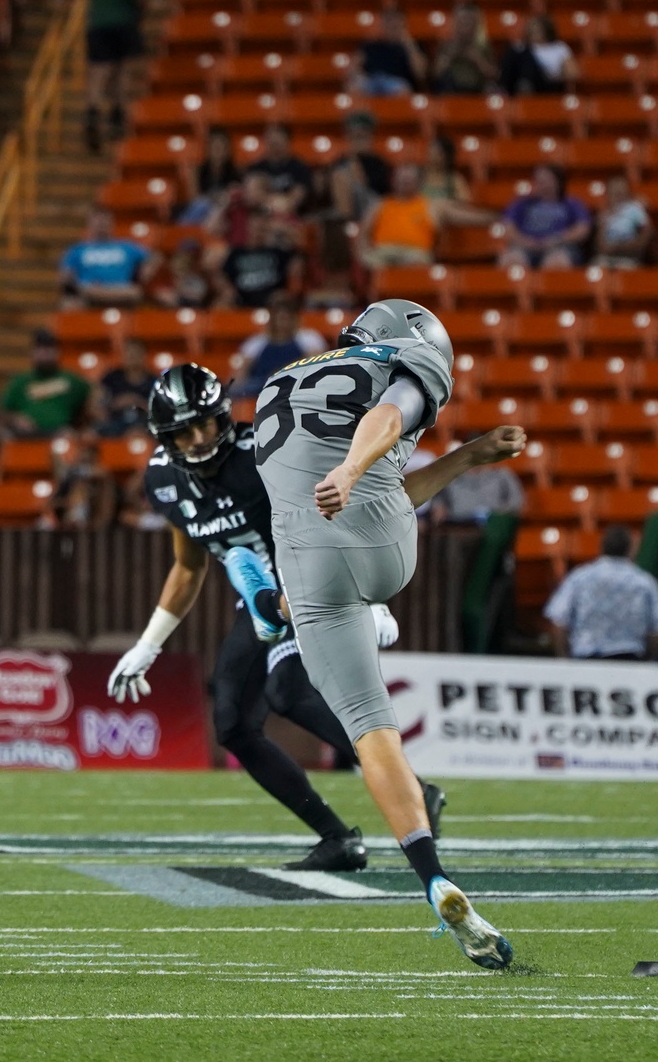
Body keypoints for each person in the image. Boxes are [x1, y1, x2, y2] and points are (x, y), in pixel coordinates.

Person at [247, 298, 524, 966]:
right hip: (376, 536)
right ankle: (377, 608)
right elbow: (391, 412)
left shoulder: (277, 380)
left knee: (371, 732)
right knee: (377, 512)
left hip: (306, 564)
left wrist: (464, 456)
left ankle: (433, 878)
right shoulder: (399, 358)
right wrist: (348, 469)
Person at [106, 363, 446, 869]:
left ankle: (408, 788)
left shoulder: (267, 453)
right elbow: (189, 563)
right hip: (262, 601)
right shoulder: (162, 479)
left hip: (315, 580)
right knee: (233, 725)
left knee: (286, 689)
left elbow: (344, 507)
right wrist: (149, 644)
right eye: (185, 430)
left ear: (224, 417)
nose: (199, 439)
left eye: (206, 424)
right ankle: (337, 837)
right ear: (165, 436)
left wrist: (369, 597)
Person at [71, 0, 147, 152]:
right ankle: (116, 114)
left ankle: (92, 111)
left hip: (98, 22)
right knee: (122, 68)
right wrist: (141, 12)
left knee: (98, 71)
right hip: (125, 20)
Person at [544, 525, 658, 661]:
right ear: (631, 549)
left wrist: (565, 658)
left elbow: (559, 621)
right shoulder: (644, 582)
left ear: (601, 547)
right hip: (630, 661)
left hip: (587, 661)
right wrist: (647, 660)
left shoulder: (579, 578)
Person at [359, 161, 493, 268]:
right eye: (402, 180)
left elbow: (463, 216)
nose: (404, 184)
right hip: (384, 252)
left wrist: (493, 218)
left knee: (415, 264)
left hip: (415, 255)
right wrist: (364, 251)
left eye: (408, 180)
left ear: (418, 182)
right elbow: (364, 233)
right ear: (394, 181)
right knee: (370, 261)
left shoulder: (432, 205)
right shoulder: (381, 204)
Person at [0, 328, 90, 439]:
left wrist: (81, 429)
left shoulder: (71, 380)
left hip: (60, 434)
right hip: (26, 435)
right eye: (40, 348)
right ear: (32, 352)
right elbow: (3, 414)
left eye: (49, 348)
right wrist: (16, 419)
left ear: (57, 352)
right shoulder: (20, 382)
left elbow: (91, 400)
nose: (45, 353)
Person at [59, 207, 158, 308]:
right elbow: (65, 277)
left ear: (111, 224)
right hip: (90, 291)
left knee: (137, 293)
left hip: (122, 290)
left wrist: (144, 273)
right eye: (98, 223)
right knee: (69, 304)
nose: (101, 226)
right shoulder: (77, 250)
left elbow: (155, 258)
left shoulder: (126, 247)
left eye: (105, 222)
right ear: (90, 224)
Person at [500, 164, 592, 270]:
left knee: (556, 263)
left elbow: (582, 230)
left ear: (557, 181)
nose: (540, 183)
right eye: (538, 180)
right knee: (511, 260)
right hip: (524, 246)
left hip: (560, 247)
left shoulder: (572, 204)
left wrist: (558, 239)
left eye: (545, 180)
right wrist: (526, 242)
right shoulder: (521, 203)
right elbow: (508, 228)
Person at [232, 294, 326, 397]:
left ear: (294, 318)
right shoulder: (256, 342)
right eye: (279, 317)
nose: (282, 323)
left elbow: (316, 365)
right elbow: (240, 374)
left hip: (296, 386)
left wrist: (281, 373)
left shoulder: (309, 338)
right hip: (262, 387)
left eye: (286, 318)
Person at [212, 210, 306, 308]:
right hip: (242, 300)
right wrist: (226, 288)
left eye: (261, 228)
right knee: (221, 304)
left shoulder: (277, 252)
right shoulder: (236, 254)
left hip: (274, 302)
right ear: (248, 228)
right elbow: (222, 275)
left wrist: (280, 227)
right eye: (255, 227)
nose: (257, 231)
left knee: (282, 299)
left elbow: (302, 244)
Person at [348, 7, 428, 96]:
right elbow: (353, 68)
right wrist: (358, 75)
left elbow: (420, 74)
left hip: (397, 83)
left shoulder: (412, 46)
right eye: (388, 22)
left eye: (396, 23)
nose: (392, 26)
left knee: (402, 90)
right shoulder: (371, 44)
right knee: (355, 87)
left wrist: (408, 44)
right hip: (372, 80)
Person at [329, 111, 391, 221]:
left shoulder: (380, 164)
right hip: (351, 211)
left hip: (376, 211)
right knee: (340, 175)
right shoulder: (340, 163)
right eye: (355, 137)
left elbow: (384, 195)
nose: (359, 142)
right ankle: (347, 223)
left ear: (370, 137)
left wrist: (357, 170)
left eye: (362, 137)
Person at [499, 15, 578, 96]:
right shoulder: (524, 47)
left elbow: (572, 73)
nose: (533, 33)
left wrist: (553, 75)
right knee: (515, 51)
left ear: (546, 30)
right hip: (520, 80)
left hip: (547, 81)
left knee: (525, 55)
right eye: (531, 30)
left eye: (537, 30)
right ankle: (509, 88)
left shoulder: (559, 47)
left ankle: (526, 84)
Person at [431, 3, 496, 95]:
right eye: (462, 22)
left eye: (468, 23)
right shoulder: (446, 44)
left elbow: (494, 76)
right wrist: (450, 57)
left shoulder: (483, 46)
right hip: (452, 90)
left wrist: (477, 60)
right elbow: (435, 74)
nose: (465, 27)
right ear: (456, 24)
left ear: (475, 25)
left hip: (476, 90)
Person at [179, 127, 241, 225]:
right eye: (214, 146)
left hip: (224, 215)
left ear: (227, 149)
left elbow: (235, 197)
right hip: (202, 214)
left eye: (221, 146)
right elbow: (194, 198)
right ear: (208, 149)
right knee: (202, 205)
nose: (218, 150)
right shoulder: (197, 171)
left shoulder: (235, 172)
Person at [248, 124, 313, 216]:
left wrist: (274, 202)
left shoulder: (300, 168)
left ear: (287, 142)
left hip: (293, 219)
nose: (274, 148)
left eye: (277, 143)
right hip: (262, 218)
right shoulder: (256, 168)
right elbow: (253, 197)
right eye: (271, 143)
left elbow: (294, 200)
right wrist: (275, 202)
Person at [431, 462, 525, 525]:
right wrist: (438, 509)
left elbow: (516, 502)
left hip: (493, 526)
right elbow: (437, 502)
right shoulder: (450, 476)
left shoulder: (501, 474)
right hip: (458, 526)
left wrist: (501, 513)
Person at [95, 338, 155, 437]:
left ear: (143, 355)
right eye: (129, 353)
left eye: (136, 353)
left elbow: (159, 413)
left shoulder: (153, 382)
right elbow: (97, 403)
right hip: (115, 422)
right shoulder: (111, 379)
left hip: (143, 423)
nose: (132, 357)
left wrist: (138, 403)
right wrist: (115, 404)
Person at [592, 176, 654, 269]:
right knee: (598, 268)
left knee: (625, 268)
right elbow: (600, 244)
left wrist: (621, 247)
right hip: (606, 257)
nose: (619, 196)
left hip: (629, 258)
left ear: (628, 193)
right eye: (615, 193)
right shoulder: (604, 214)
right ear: (608, 195)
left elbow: (646, 235)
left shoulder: (635, 210)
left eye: (621, 192)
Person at [421, 133, 474, 207]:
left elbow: (466, 205)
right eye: (431, 150)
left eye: (438, 152)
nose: (433, 155)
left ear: (447, 157)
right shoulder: (420, 176)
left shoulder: (454, 180)